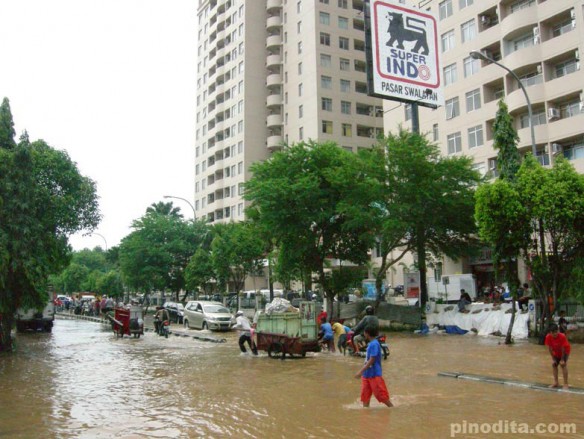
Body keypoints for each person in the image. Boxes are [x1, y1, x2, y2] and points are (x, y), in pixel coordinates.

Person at [354, 325, 393, 408]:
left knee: (381, 395)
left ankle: (391, 408)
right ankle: (366, 415)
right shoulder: (371, 344)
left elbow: (372, 359)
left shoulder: (374, 344)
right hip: (366, 375)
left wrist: (360, 371)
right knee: (365, 396)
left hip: (374, 374)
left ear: (367, 333)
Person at [544, 323, 571, 389]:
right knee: (554, 364)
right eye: (553, 333)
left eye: (556, 332)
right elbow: (550, 349)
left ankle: (565, 384)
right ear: (550, 332)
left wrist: (562, 359)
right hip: (556, 351)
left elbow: (563, 349)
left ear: (558, 330)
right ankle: (556, 382)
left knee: (563, 365)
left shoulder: (562, 336)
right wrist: (553, 359)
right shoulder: (548, 337)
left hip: (565, 351)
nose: (555, 334)